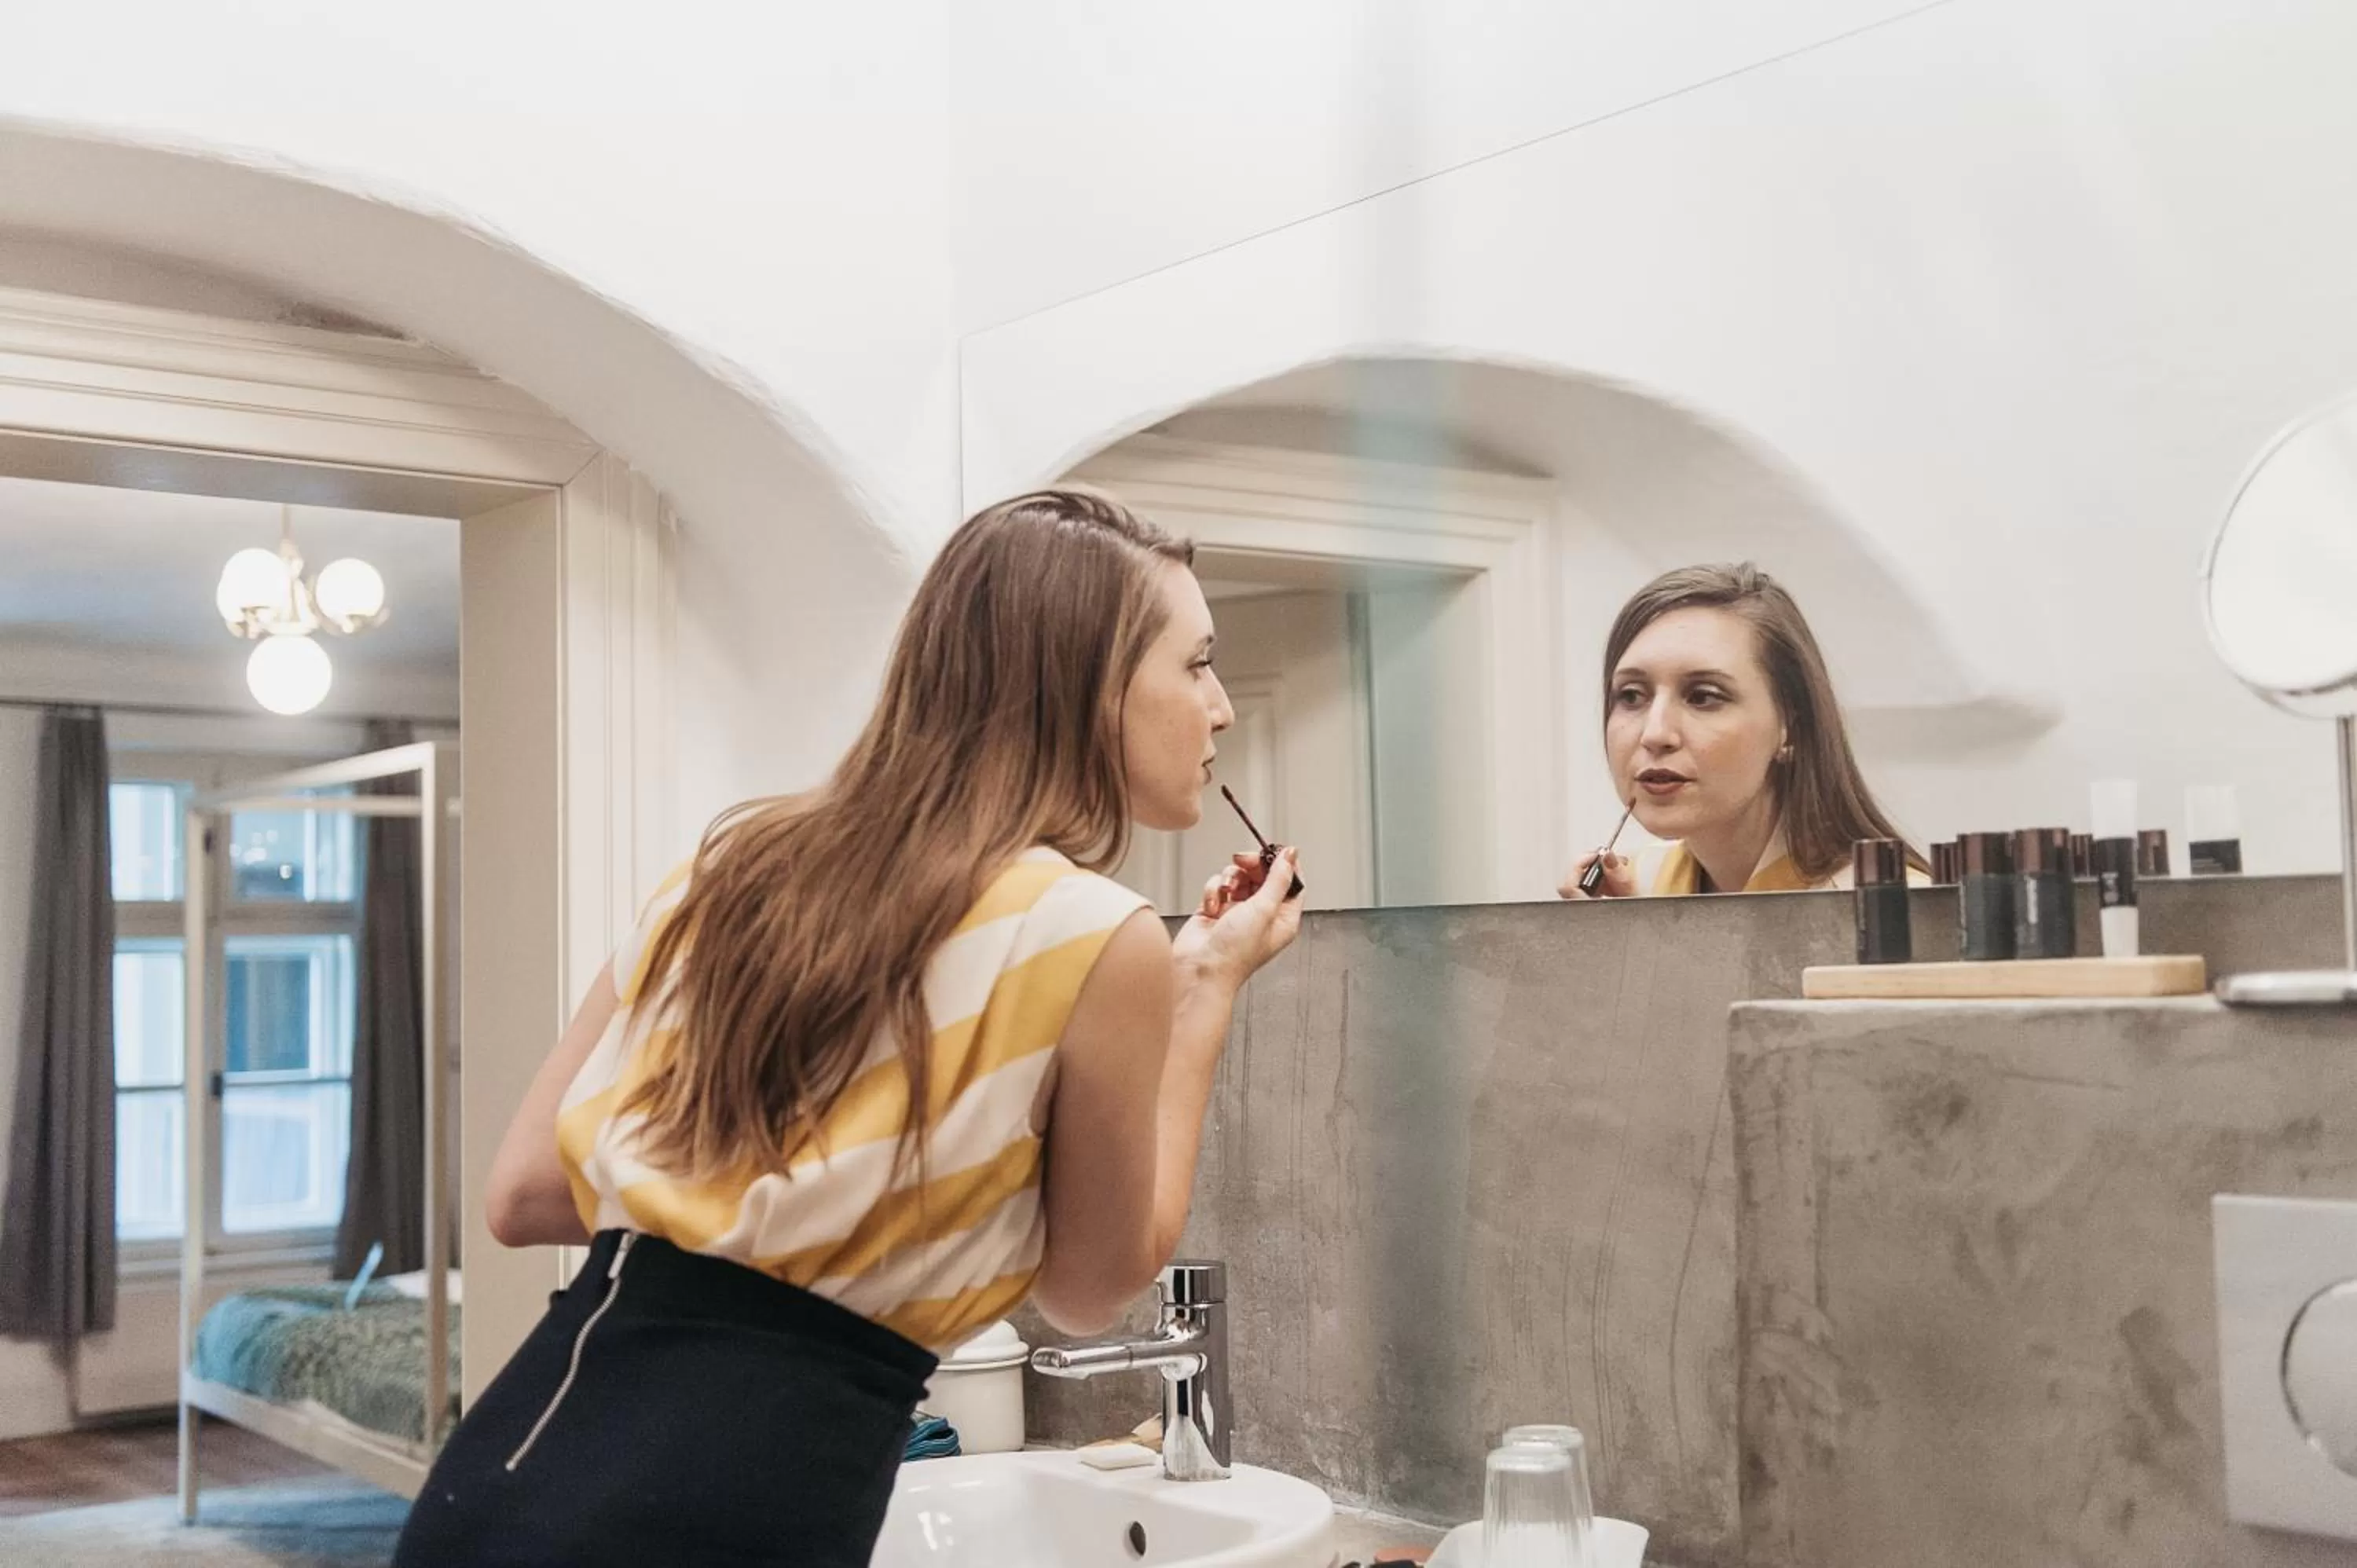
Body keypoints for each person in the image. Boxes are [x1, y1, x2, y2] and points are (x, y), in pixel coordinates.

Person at [393, 489, 1303, 1568]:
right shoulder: (1092, 932)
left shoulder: (732, 869)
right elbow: (1090, 1287)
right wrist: (1206, 984)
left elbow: (524, 1193)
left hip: (503, 1475)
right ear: (1088, 684)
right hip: (733, 1517)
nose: (1221, 708)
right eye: (1196, 664)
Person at [1559, 562, 1923, 898]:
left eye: (1703, 697)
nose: (1654, 734)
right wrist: (1620, 941)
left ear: (1790, 727)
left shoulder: (1892, 909)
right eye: (1631, 696)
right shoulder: (1636, 889)